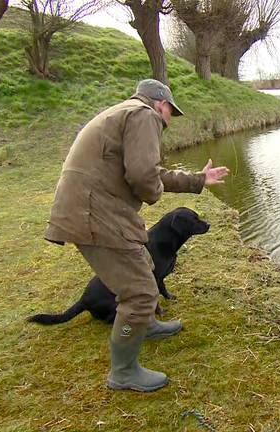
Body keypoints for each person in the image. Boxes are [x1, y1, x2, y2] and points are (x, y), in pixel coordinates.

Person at [44, 79, 229, 392]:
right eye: (172, 112)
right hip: (95, 213)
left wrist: (198, 180)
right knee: (140, 292)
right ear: (162, 104)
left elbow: (150, 172)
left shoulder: (125, 113)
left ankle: (148, 324)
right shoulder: (145, 116)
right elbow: (145, 178)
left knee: (144, 262)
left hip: (93, 208)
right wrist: (153, 193)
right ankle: (124, 372)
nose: (170, 120)